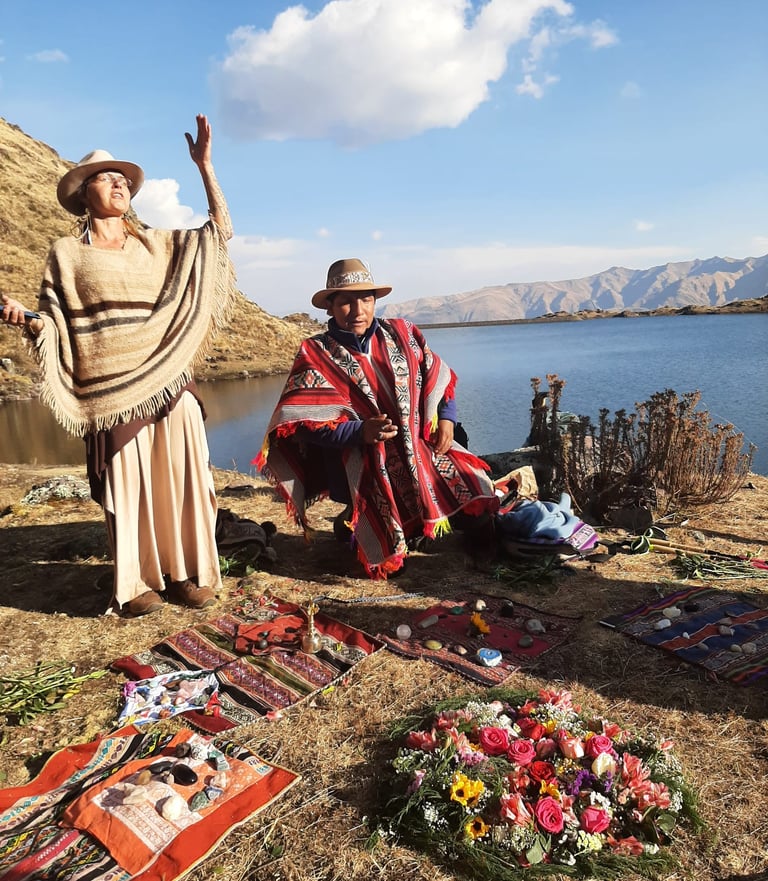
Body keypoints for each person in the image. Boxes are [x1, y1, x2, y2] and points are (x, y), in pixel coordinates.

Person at [1, 115, 238, 616]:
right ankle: (136, 582)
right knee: (129, 485)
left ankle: (190, 574)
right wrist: (29, 321)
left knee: (183, 477)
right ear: (84, 194)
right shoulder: (66, 254)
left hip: (169, 379)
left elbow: (220, 234)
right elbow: (57, 319)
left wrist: (206, 168)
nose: (119, 185)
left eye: (124, 181)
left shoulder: (154, 244)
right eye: (107, 179)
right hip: (109, 391)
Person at [255, 258, 499, 578]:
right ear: (330, 306)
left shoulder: (403, 333)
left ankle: (476, 540)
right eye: (346, 301)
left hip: (420, 450)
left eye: (366, 300)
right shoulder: (315, 354)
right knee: (385, 558)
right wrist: (359, 432)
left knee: (476, 484)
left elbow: (439, 379)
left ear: (375, 302)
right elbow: (302, 422)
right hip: (360, 463)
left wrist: (447, 421)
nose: (357, 310)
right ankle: (352, 524)